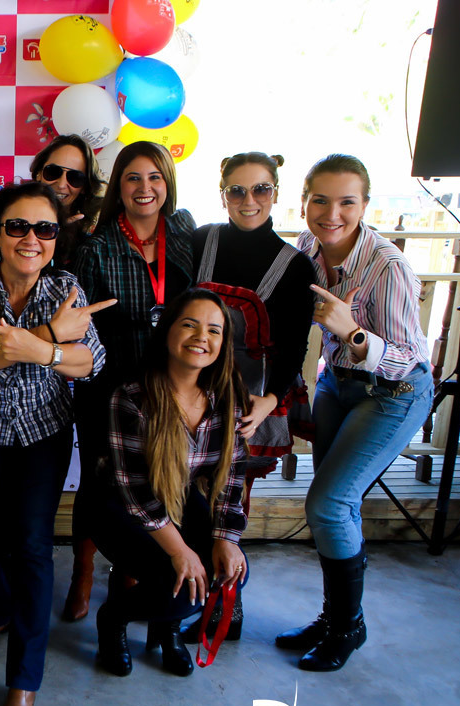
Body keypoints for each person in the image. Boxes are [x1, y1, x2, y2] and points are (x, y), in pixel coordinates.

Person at [0, 182, 108, 706]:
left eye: (44, 228)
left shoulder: (67, 288)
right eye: (17, 226)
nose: (31, 238)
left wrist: (42, 350)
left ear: (57, 239)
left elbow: (92, 363)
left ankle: (23, 681)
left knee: (33, 548)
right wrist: (53, 340)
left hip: (43, 433)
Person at [276, 154, 432, 671]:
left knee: (328, 503)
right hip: (336, 384)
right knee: (337, 507)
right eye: (320, 200)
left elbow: (407, 357)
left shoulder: (388, 265)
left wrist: (354, 333)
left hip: (394, 392)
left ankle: (348, 627)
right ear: (305, 202)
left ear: (365, 205)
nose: (332, 213)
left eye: (346, 202)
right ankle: (334, 617)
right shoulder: (307, 247)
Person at [183, 152, 316, 643]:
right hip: (192, 387)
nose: (249, 200)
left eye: (260, 189)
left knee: (228, 506)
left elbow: (295, 345)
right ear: (222, 194)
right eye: (237, 190)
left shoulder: (295, 265)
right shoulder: (201, 239)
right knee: (183, 496)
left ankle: (226, 606)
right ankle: (181, 591)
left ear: (276, 193)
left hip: (249, 398)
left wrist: (272, 399)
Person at [64, 141, 196, 623]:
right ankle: (82, 571)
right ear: (118, 186)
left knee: (156, 480)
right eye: (133, 177)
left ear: (168, 184)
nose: (145, 187)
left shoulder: (184, 234)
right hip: (108, 383)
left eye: (155, 177)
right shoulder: (97, 248)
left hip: (167, 384)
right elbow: (81, 326)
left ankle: (129, 576)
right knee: (99, 483)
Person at [94, 289, 249, 679]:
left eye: (214, 330)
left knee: (228, 571)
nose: (201, 337)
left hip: (179, 499)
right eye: (189, 325)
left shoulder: (225, 396)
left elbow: (231, 475)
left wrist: (226, 539)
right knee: (176, 583)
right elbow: (136, 492)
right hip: (122, 508)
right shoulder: (132, 397)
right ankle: (114, 617)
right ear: (167, 332)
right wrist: (181, 551)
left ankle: (168, 629)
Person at [29, 133, 104, 238]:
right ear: (39, 173)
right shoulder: (13, 214)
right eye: (53, 172)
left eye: (75, 177)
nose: (61, 185)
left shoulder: (93, 237)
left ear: (85, 187)